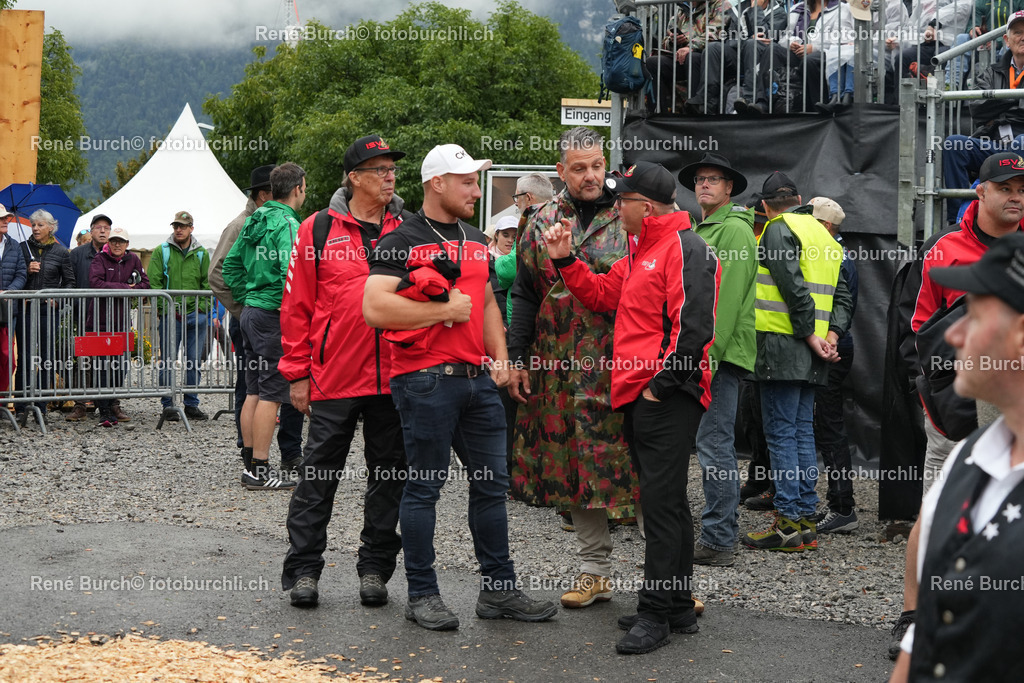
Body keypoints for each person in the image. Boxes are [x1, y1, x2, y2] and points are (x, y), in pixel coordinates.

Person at [364, 143, 556, 631]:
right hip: (424, 380)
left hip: (478, 381)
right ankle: (422, 595)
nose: (476, 190)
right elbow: (374, 309)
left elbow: (490, 305)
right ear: (437, 184)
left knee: (492, 489)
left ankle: (498, 591)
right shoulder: (399, 239)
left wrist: (503, 362)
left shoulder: (475, 238)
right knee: (424, 489)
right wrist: (441, 311)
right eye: (467, 181)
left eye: (475, 180)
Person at [541, 161, 719, 655]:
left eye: (623, 201)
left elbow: (695, 329)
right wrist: (565, 260)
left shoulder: (685, 247)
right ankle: (677, 606)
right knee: (669, 503)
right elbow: (601, 295)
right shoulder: (645, 248)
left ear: (648, 205)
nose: (616, 208)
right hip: (646, 394)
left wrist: (660, 387)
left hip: (666, 396)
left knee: (660, 508)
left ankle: (656, 613)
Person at [888, 151, 1024, 658]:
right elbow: (917, 326)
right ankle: (915, 615)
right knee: (937, 514)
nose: (1015, 196)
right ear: (980, 192)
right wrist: (931, 391)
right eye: (1006, 187)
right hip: (950, 411)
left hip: (1008, 410)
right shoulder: (944, 249)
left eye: (1022, 189)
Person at [506, 127, 639, 610]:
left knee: (640, 469)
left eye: (597, 165)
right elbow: (524, 292)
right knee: (575, 468)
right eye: (578, 167)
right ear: (561, 171)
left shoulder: (630, 214)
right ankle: (594, 572)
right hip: (557, 370)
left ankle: (667, 584)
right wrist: (518, 359)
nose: (590, 175)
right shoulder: (540, 219)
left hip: (620, 367)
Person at [279, 135, 410, 609]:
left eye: (392, 167)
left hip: (395, 376)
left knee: (389, 476)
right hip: (334, 374)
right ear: (354, 177)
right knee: (317, 476)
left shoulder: (408, 227)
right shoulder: (316, 229)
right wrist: (296, 373)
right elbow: (296, 305)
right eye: (378, 168)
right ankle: (303, 571)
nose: (389, 175)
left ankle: (375, 569)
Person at [741, 172, 852, 552]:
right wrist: (830, 338)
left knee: (782, 434)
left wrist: (809, 336)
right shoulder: (827, 236)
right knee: (802, 432)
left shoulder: (776, 228)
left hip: (782, 346)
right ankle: (803, 519)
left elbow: (793, 289)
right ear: (801, 198)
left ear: (766, 205)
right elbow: (842, 296)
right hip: (815, 350)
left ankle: (789, 522)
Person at [677, 153, 757, 567]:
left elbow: (725, 302)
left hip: (718, 357)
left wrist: (706, 356)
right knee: (709, 444)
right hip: (707, 353)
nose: (704, 184)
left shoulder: (735, 232)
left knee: (714, 445)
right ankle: (715, 533)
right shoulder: (701, 227)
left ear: (729, 189)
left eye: (714, 179)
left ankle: (720, 539)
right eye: (700, 179)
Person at [210, 164, 305, 474]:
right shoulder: (287, 223)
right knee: (272, 394)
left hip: (251, 313)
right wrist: (286, 305)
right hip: (272, 316)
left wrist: (248, 296)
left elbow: (232, 267)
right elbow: (291, 274)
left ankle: (251, 463)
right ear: (298, 189)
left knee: (253, 390)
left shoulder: (254, 220)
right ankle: (261, 471)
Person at [808, 197, 860, 533]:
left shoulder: (835, 256)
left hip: (832, 348)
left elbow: (842, 307)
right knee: (823, 426)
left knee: (829, 427)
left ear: (826, 226)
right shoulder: (835, 253)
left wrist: (830, 340)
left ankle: (843, 507)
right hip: (830, 345)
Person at [942, 12, 1024, 220]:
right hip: (993, 142)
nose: (1023, 37)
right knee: (954, 144)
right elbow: (976, 109)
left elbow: (987, 107)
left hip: (1022, 143)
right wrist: (1015, 100)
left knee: (1020, 143)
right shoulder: (991, 72)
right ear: (1006, 39)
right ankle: (959, 218)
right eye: (1017, 32)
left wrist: (998, 105)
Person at [147, 210, 211, 423]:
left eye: (183, 226)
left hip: (196, 315)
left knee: (194, 361)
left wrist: (202, 308)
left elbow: (207, 283)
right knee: (167, 360)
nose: (179, 229)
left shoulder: (202, 253)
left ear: (192, 228)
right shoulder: (161, 251)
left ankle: (191, 404)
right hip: (171, 315)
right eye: (176, 226)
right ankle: (168, 405)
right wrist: (166, 309)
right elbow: (154, 283)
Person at [14, 210, 75, 424]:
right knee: (24, 358)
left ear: (51, 227)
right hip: (26, 309)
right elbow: (15, 277)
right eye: (33, 225)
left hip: (49, 312)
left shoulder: (61, 252)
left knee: (47, 359)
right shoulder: (22, 248)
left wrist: (57, 300)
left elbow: (69, 282)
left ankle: (41, 405)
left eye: (40, 225)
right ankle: (21, 406)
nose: (36, 229)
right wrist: (27, 271)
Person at [87, 226, 149, 427]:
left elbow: (145, 284)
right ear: (108, 243)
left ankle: (111, 403)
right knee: (102, 366)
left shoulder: (134, 260)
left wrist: (129, 289)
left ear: (127, 245)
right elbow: (96, 283)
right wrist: (125, 288)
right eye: (113, 240)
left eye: (120, 241)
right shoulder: (99, 259)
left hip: (122, 322)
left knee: (121, 366)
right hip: (100, 321)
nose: (116, 244)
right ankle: (104, 410)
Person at [67, 214, 113, 422]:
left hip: (110, 316)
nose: (102, 231)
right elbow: (69, 282)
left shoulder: (117, 253)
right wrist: (76, 304)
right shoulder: (76, 254)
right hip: (84, 314)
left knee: (110, 360)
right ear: (91, 230)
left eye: (106, 227)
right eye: (98, 227)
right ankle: (80, 404)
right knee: (83, 359)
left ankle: (111, 403)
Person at [0, 205, 26, 397]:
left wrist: (8, 292)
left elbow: (21, 274)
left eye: (6, 218)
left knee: (7, 357)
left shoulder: (14, 244)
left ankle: (1, 400)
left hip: (8, 308)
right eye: (1, 218)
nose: (5, 221)